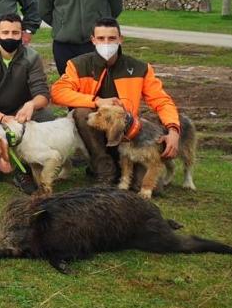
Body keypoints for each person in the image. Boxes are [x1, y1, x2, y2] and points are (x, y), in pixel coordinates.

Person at [50, 17, 181, 184]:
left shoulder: (140, 68)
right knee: (81, 112)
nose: (106, 43)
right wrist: (96, 101)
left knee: (148, 186)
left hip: (128, 134)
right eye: (101, 38)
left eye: (112, 38)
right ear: (93, 40)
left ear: (121, 39)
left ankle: (118, 168)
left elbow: (161, 100)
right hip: (94, 133)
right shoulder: (77, 65)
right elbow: (57, 93)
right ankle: (103, 168)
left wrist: (173, 130)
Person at [0, 13, 52, 190]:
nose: (10, 37)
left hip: (21, 115)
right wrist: (2, 118)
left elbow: (42, 94)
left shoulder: (33, 57)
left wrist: (31, 105)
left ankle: (27, 169)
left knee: (46, 116)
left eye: (15, 33)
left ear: (22, 34)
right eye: (5, 33)